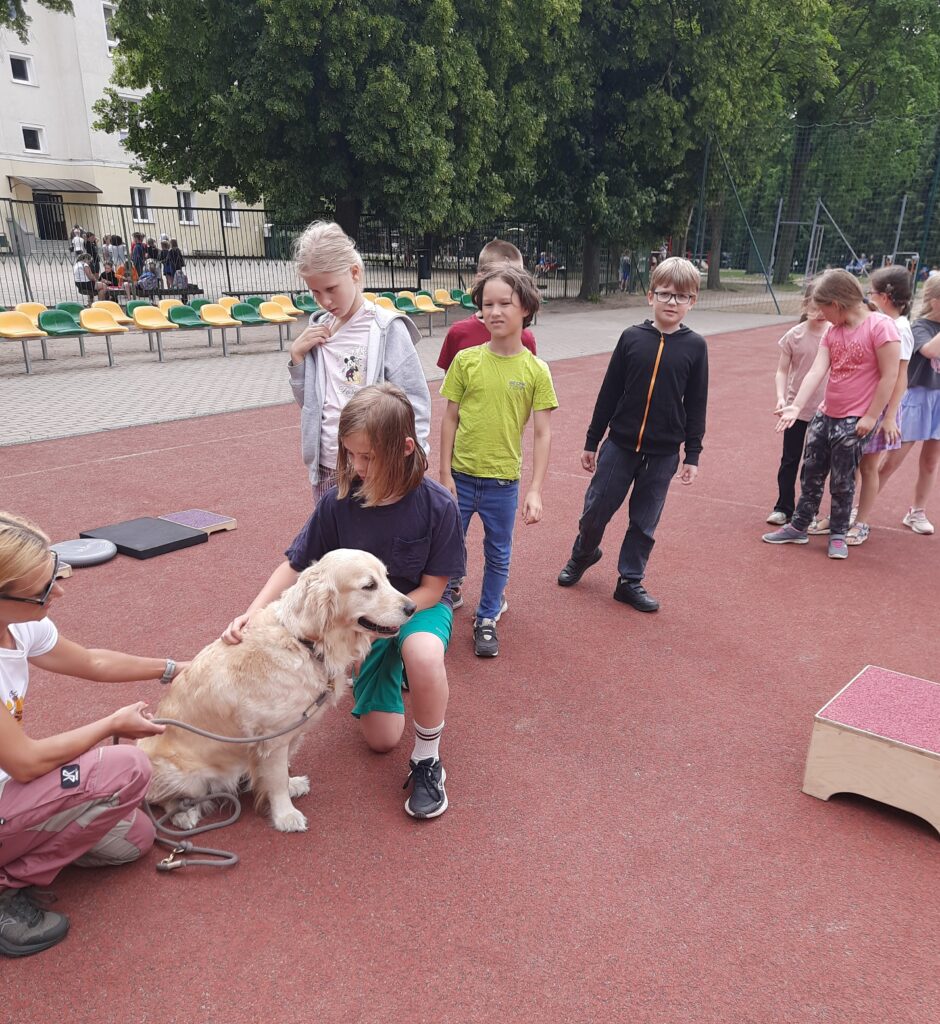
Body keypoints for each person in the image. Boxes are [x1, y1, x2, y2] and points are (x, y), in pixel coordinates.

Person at [222, 384, 465, 819]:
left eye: (368, 456)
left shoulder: (438, 505)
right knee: (381, 740)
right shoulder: (339, 502)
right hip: (364, 622)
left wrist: (388, 624)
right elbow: (296, 565)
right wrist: (252, 613)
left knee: (423, 652)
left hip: (416, 608)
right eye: (351, 454)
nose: (357, 466)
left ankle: (428, 759)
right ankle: (388, 669)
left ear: (406, 448)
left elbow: (434, 588)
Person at [0, 511, 183, 958]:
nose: (58, 591)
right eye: (45, 588)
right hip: (13, 777)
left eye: (55, 574)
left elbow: (92, 662)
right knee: (127, 768)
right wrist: (110, 725)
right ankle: (7, 886)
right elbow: (24, 762)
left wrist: (176, 669)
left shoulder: (17, 624)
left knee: (133, 838)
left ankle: (21, 849)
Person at [557, 256, 708, 611]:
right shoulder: (631, 338)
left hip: (663, 453)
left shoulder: (695, 346)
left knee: (644, 522)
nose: (672, 302)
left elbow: (697, 403)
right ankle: (584, 552)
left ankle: (630, 580)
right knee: (595, 511)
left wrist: (693, 454)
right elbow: (609, 392)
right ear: (650, 296)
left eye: (681, 296)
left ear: (692, 302)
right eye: (665, 293)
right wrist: (592, 440)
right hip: (620, 446)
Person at [439, 265, 557, 658]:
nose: (494, 311)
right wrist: (444, 471)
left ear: (526, 308)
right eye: (487, 304)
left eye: (504, 303)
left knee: (498, 551)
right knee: (447, 544)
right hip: (460, 476)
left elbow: (542, 433)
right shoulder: (466, 361)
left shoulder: (536, 370)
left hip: (503, 482)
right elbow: (450, 417)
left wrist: (535, 490)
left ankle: (488, 615)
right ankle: (445, 598)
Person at [287, 220, 431, 506]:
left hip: (376, 465)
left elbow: (415, 401)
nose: (324, 300)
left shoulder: (385, 328)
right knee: (332, 536)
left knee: (377, 535)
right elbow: (310, 404)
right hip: (328, 465)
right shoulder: (319, 330)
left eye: (331, 288)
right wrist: (297, 359)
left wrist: (414, 460)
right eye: (315, 292)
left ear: (354, 273)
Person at [764, 269, 900, 559]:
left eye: (823, 308)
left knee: (842, 480)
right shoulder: (833, 331)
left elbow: (890, 376)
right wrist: (797, 405)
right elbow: (817, 370)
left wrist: (871, 416)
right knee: (811, 472)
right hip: (825, 414)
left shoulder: (881, 327)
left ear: (836, 304)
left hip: (855, 419)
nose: (821, 315)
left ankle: (838, 533)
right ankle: (799, 525)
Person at [846, 266, 915, 545]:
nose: (868, 297)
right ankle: (844, 514)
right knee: (851, 464)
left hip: (881, 407)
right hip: (863, 402)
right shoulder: (878, 322)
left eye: (871, 292)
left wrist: (889, 417)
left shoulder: (900, 329)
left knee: (868, 466)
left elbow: (900, 377)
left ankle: (861, 521)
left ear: (885, 296)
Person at [877, 273, 940, 535]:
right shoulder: (920, 326)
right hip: (916, 398)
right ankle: (857, 507)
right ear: (935, 301)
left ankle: (917, 512)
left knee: (931, 461)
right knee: (892, 460)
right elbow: (930, 351)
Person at [766, 285, 829, 526]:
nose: (820, 313)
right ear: (805, 305)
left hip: (825, 410)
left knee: (814, 463)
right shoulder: (795, 335)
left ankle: (808, 511)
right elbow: (782, 370)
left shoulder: (834, 333)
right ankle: (783, 507)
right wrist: (781, 397)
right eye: (815, 307)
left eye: (824, 307)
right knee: (790, 459)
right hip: (796, 409)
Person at [436, 238, 538, 373]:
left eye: (519, 278)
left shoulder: (525, 338)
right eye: (504, 276)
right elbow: (450, 381)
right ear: (481, 278)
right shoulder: (458, 333)